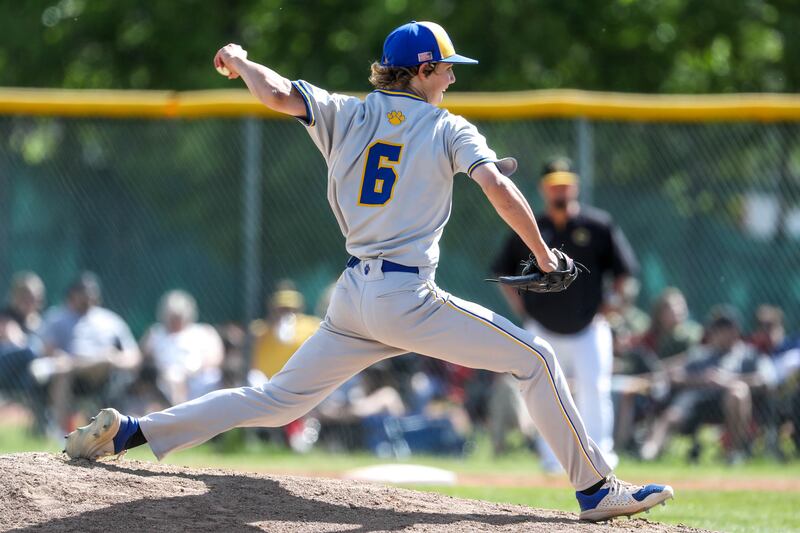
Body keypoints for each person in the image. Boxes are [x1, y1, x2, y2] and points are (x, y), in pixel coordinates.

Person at [65, 21, 672, 521]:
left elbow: (276, 94)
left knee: (276, 400)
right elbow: (496, 184)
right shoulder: (447, 126)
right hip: (406, 295)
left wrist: (241, 61)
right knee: (534, 359)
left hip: (354, 293)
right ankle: (596, 489)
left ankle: (131, 432)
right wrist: (544, 255)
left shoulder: (345, 113)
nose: (453, 76)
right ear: (422, 70)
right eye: (446, 67)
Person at [492, 157, 638, 473]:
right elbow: (502, 271)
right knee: (546, 392)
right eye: (554, 185)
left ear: (575, 186)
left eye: (565, 184)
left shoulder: (597, 225)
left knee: (594, 389)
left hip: (590, 326)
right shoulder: (530, 226)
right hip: (543, 326)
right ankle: (552, 459)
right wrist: (523, 309)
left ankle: (601, 458)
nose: (560, 190)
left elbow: (624, 271)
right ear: (544, 189)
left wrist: (612, 304)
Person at [640, 306, 777, 462]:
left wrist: (727, 380)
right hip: (698, 400)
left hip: (727, 403)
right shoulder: (701, 353)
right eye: (720, 329)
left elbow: (766, 379)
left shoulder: (748, 354)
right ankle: (648, 453)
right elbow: (674, 375)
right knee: (670, 416)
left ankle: (734, 453)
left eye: (729, 328)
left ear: (737, 331)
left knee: (738, 392)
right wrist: (701, 379)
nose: (724, 333)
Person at [39, 272, 141, 430]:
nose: (88, 298)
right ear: (72, 294)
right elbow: (46, 349)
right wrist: (60, 358)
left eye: (92, 293)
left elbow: (134, 356)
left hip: (103, 374)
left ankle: (110, 431)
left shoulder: (110, 321)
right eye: (83, 293)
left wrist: (115, 359)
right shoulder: (58, 318)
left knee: (104, 359)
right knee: (64, 372)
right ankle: (60, 433)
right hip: (72, 377)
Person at [140, 290, 224, 405]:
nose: (175, 321)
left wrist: (191, 370)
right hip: (164, 380)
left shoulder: (204, 331)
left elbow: (216, 358)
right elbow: (143, 357)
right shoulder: (155, 333)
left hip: (198, 378)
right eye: (172, 317)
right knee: (173, 378)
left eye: (179, 317)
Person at [249, 280, 321, 381]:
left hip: (301, 381)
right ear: (273, 310)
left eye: (291, 309)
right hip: (265, 382)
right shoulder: (261, 330)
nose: (286, 313)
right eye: (281, 309)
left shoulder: (312, 326)